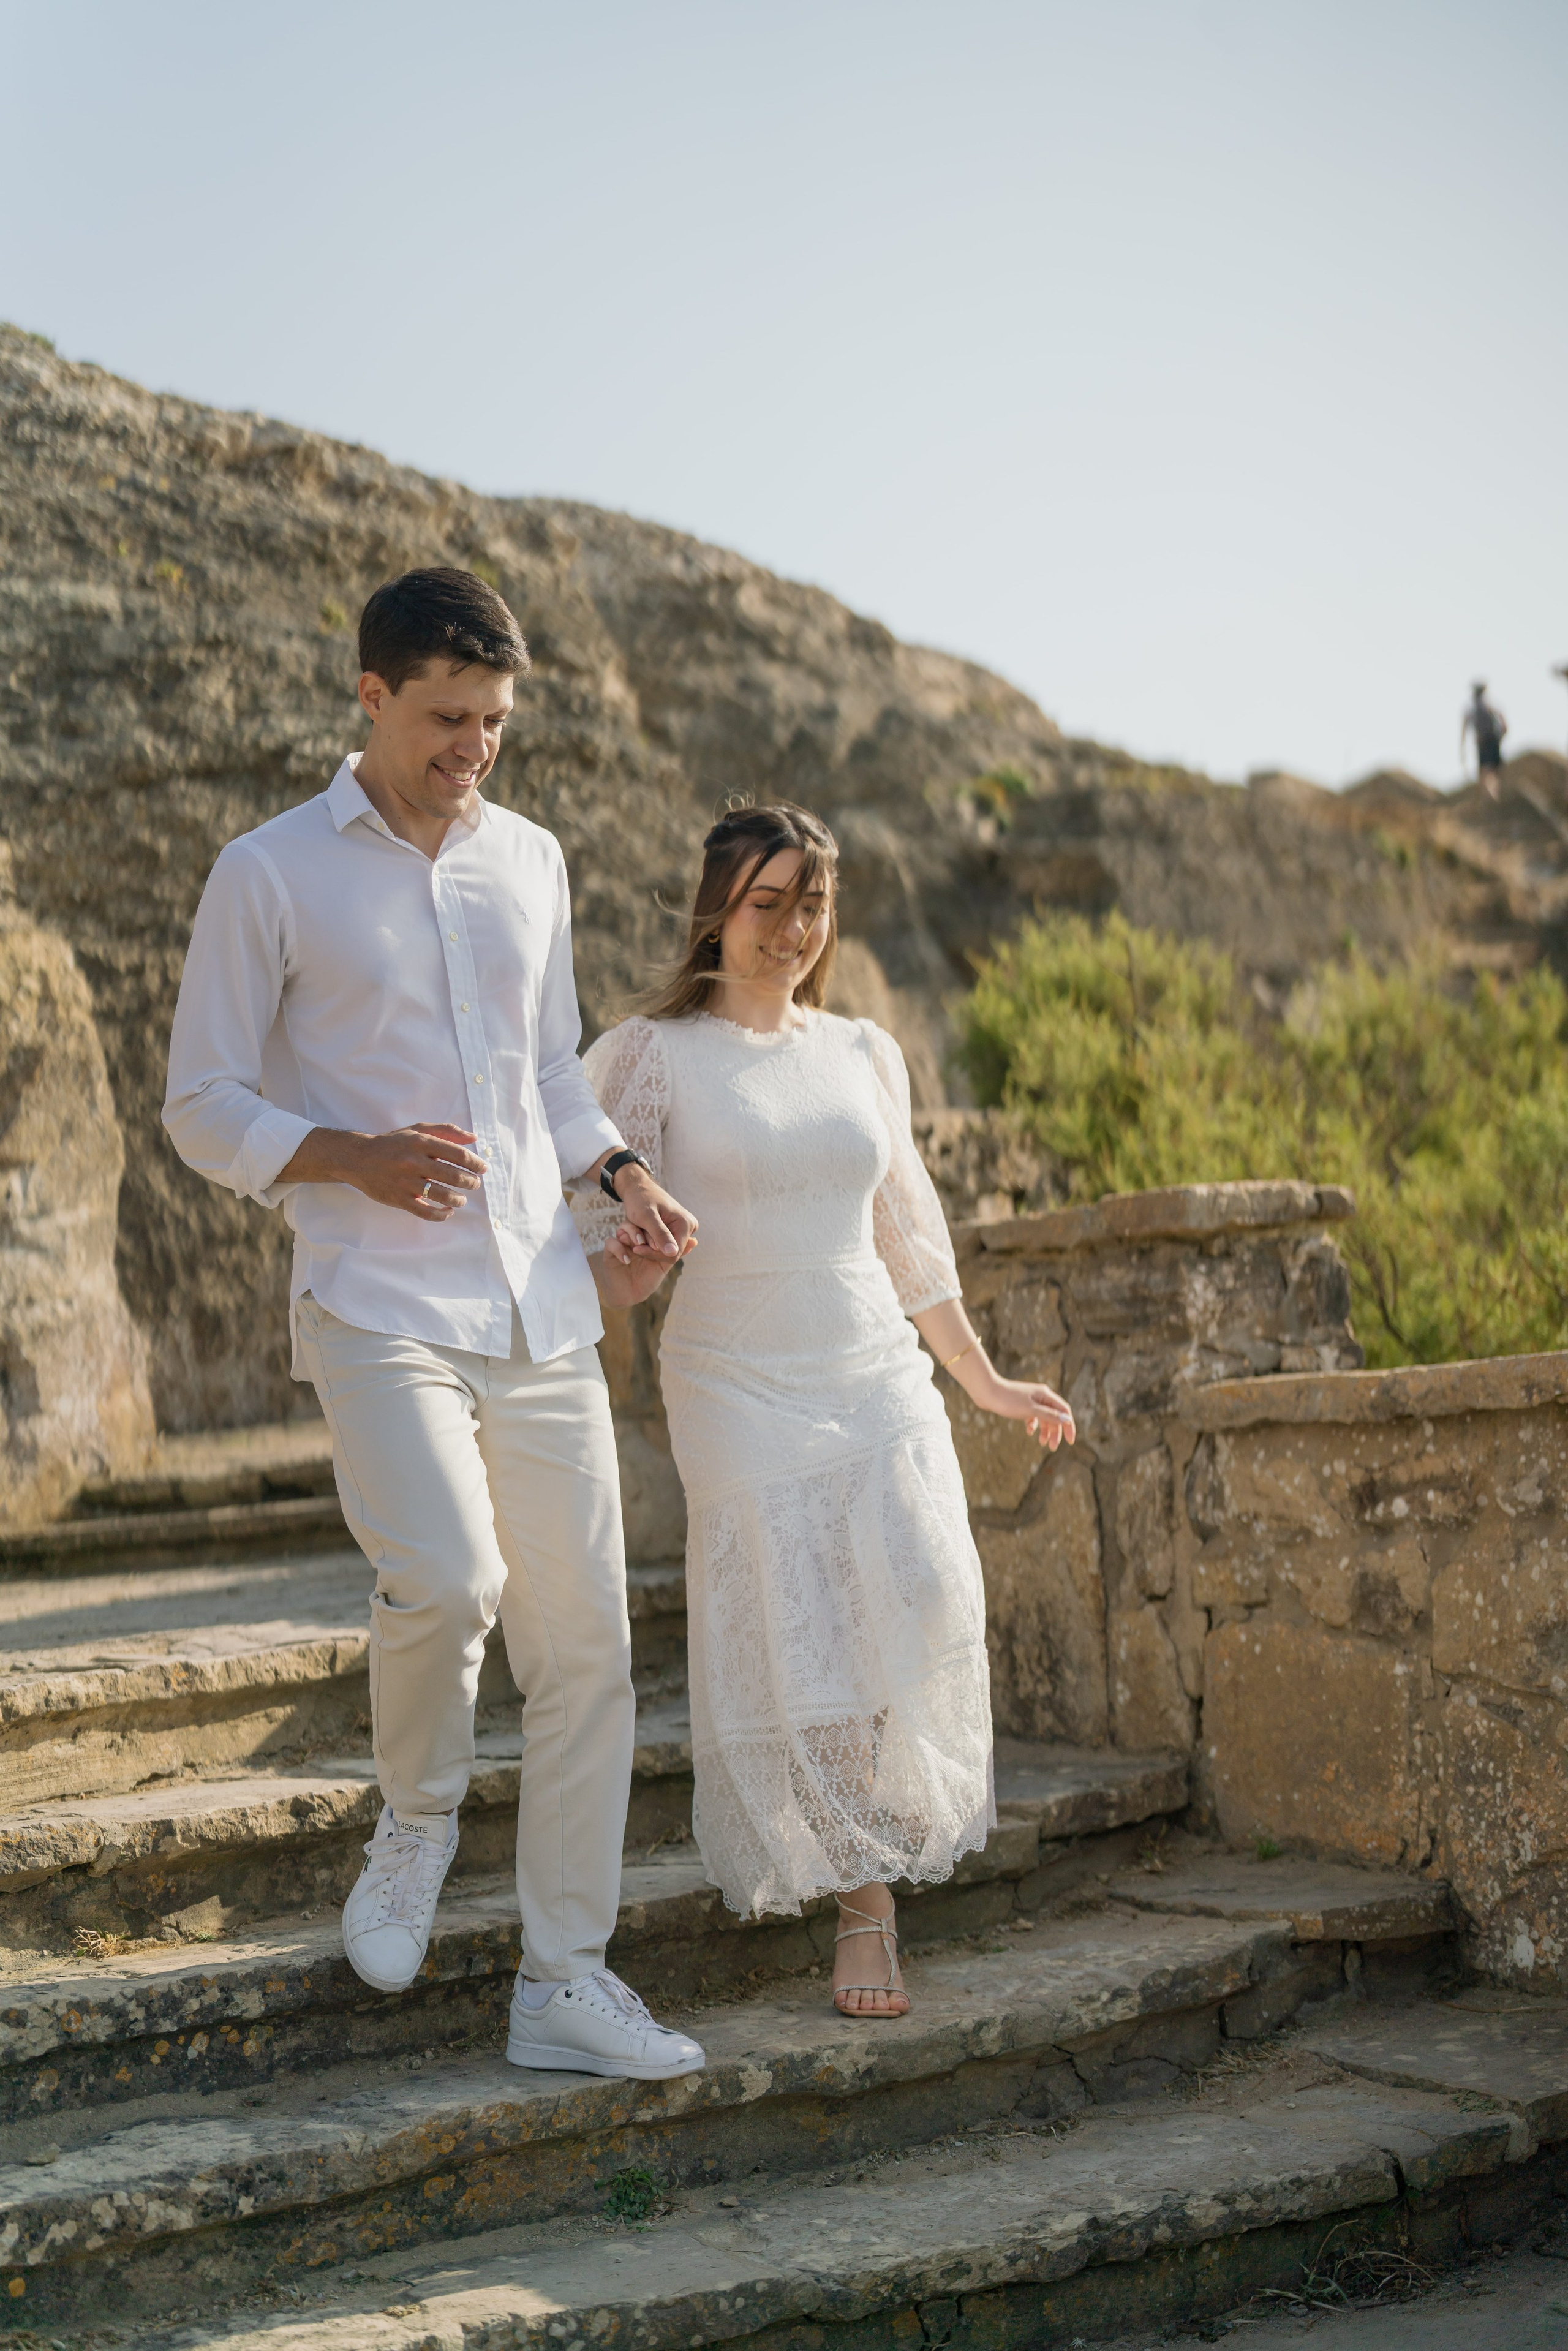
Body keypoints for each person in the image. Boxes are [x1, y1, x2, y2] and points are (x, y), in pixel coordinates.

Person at [163, 567, 706, 2081]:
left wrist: (618, 1173)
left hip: (539, 1297)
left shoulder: (529, 859)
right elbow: (199, 1102)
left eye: (496, 722)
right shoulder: (268, 871)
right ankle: (413, 1822)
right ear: (373, 696)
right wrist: (354, 1156)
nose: (475, 747)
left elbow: (550, 1072)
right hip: (372, 1298)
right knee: (451, 1576)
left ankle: (564, 1978)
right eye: (449, 718)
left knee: (588, 1650)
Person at [574, 804, 1074, 2020]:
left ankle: (869, 1826)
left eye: (813, 904)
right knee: (811, 1628)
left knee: (924, 1587)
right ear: (716, 908)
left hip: (871, 1361)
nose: (793, 929)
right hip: (735, 1374)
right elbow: (599, 1264)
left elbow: (908, 1236)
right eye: (769, 903)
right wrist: (630, 1269)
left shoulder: (863, 1049)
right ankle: (865, 1905)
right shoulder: (646, 1054)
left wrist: (984, 1379)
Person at [1462, 681, 1507, 798]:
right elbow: (1505, 727)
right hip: (1494, 742)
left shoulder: (1471, 710)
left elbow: (1464, 732)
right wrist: (1499, 739)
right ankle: (1494, 797)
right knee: (1494, 774)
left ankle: (1490, 798)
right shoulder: (1491, 707)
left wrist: (1463, 753)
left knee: (1485, 774)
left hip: (1482, 744)